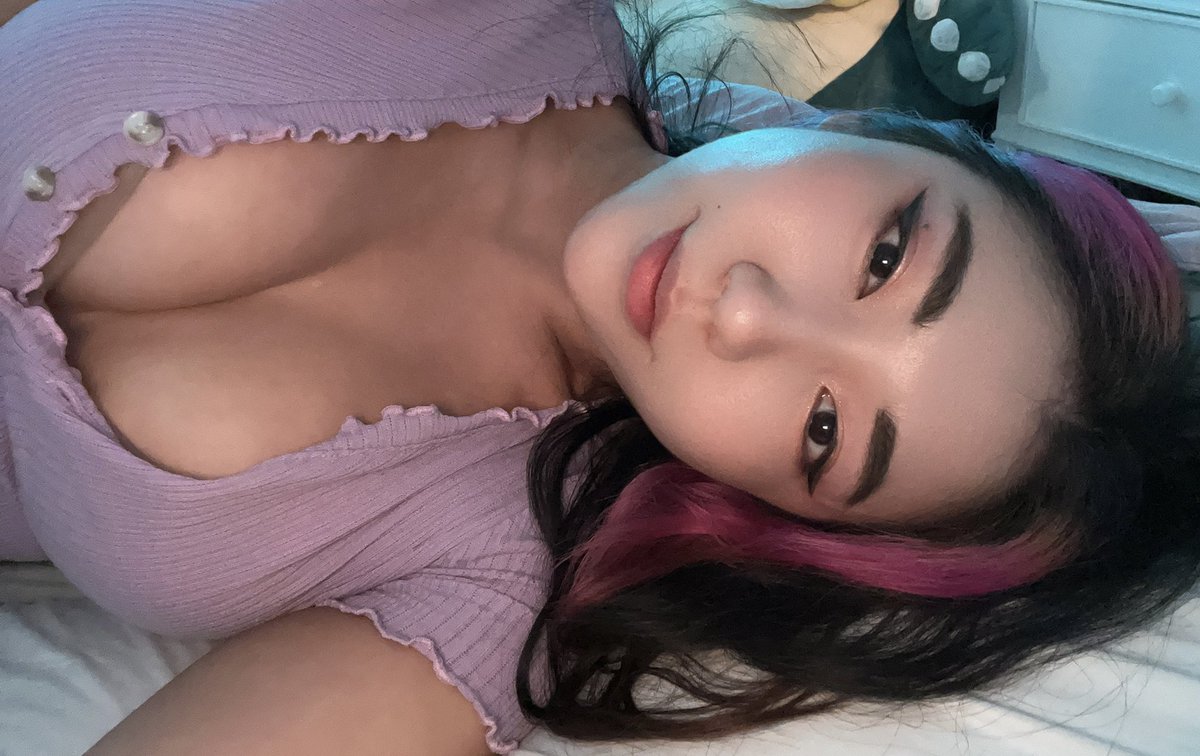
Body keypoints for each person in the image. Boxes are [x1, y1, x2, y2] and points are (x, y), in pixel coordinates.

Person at [1, 1, 1197, 753]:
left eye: (825, 431)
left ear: (768, 505)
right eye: (888, 255)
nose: (746, 314)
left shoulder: (484, 581)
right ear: (863, 132)